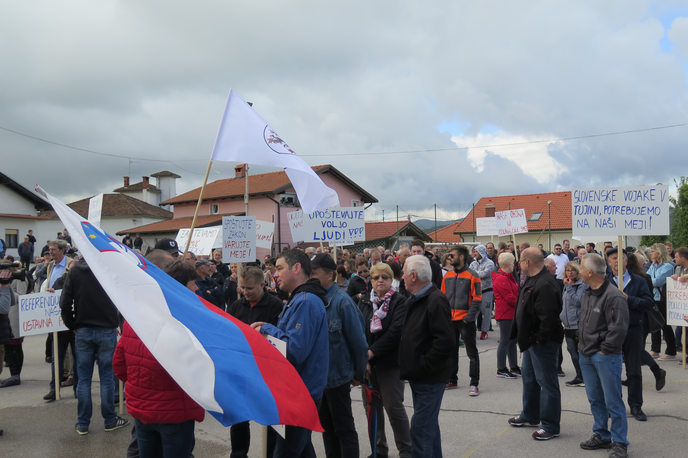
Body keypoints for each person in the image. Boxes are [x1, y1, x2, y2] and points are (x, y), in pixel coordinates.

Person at [113, 261, 205, 457]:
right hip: (174, 412)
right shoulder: (185, 322)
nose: (197, 288)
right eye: (193, 283)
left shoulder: (133, 315)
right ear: (179, 286)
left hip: (143, 412)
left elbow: (119, 365)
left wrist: (140, 386)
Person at [251, 249, 329, 458]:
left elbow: (294, 351)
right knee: (301, 450)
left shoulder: (305, 301)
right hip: (294, 389)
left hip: (299, 393)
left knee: (285, 453)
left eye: (279, 268)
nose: (274, 274)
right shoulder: (299, 299)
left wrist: (267, 328)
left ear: (296, 268)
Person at [60, 258, 128, 434]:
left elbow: (65, 303)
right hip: (106, 329)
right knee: (106, 377)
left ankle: (83, 423)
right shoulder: (109, 268)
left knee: (83, 379)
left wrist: (72, 324)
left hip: (83, 329)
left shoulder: (74, 271)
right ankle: (109, 420)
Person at [310, 253, 368, 458]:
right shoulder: (312, 301)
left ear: (330, 276)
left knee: (344, 429)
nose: (310, 277)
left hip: (338, 378)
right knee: (326, 428)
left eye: (314, 273)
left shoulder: (343, 303)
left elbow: (359, 344)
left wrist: (358, 374)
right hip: (318, 380)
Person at [399, 255, 454, 458]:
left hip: (429, 377)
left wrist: (424, 364)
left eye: (404, 273)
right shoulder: (416, 299)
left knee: (420, 431)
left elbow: (445, 342)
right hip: (420, 375)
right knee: (428, 428)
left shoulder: (435, 299)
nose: (402, 277)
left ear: (413, 275)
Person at [226, 266, 283, 458]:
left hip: (267, 371)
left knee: (271, 418)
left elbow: (282, 339)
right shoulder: (236, 306)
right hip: (241, 369)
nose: (245, 292)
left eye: (250, 288)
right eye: (243, 288)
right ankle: (239, 454)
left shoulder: (276, 306)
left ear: (262, 284)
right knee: (239, 417)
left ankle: (271, 453)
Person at [508, 248, 563, 441]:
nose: (519, 265)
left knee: (547, 383)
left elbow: (548, 319)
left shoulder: (545, 283)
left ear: (527, 262)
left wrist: (537, 339)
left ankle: (550, 425)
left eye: (520, 262)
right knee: (529, 379)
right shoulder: (532, 279)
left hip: (542, 343)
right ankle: (530, 414)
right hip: (530, 342)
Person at [577, 254, 630, 458]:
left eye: (581, 268)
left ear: (590, 272)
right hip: (587, 354)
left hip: (605, 356)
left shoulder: (613, 296)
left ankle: (620, 442)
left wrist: (604, 350)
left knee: (613, 401)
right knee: (595, 399)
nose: (579, 271)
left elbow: (618, 329)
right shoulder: (586, 293)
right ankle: (601, 434)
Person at [358, 262, 412, 458]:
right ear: (370, 281)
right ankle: (378, 450)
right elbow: (358, 330)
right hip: (368, 367)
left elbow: (395, 332)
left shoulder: (400, 301)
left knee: (394, 407)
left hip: (391, 364)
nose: (380, 280)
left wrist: (369, 354)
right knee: (372, 409)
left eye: (384, 277)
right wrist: (362, 357)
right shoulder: (364, 301)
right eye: (375, 277)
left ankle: (406, 451)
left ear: (392, 280)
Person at [606, 248, 654, 422]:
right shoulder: (605, 281)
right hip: (611, 331)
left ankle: (636, 405)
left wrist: (629, 299)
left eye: (621, 258)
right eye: (613, 258)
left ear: (627, 261)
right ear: (609, 261)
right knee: (612, 372)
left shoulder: (639, 281)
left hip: (633, 329)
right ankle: (614, 406)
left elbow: (648, 303)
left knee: (634, 371)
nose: (617, 261)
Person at [441, 245, 482, 395]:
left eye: (452, 255)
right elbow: (442, 298)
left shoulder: (473, 275)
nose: (449, 257)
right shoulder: (447, 276)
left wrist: (468, 318)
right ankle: (452, 379)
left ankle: (474, 383)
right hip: (450, 321)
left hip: (465, 321)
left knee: (472, 353)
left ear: (461, 257)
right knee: (451, 352)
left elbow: (477, 299)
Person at [492, 251, 520, 379]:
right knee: (505, 341)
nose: (514, 266)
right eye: (513, 263)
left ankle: (513, 366)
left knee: (512, 341)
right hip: (505, 314)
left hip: (511, 313)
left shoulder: (508, 277)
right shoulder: (502, 279)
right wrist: (522, 304)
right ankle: (501, 368)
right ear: (508, 264)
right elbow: (510, 298)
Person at [560, 262, 588, 387]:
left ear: (577, 272)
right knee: (571, 351)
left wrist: (570, 287)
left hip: (577, 324)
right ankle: (579, 375)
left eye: (572, 270)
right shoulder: (566, 286)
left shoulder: (581, 285)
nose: (570, 273)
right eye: (567, 270)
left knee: (580, 352)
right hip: (567, 324)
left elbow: (577, 302)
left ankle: (584, 376)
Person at [647, 243, 675, 360]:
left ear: (659, 253)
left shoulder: (668, 267)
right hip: (653, 297)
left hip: (662, 298)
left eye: (653, 251)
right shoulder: (653, 265)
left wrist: (649, 280)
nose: (650, 253)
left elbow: (656, 282)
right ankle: (655, 349)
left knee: (665, 324)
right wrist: (649, 280)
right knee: (654, 324)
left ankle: (671, 351)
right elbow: (646, 278)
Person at [0, 266, 23, 388]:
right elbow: (3, 308)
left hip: (9, 323)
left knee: (14, 348)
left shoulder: (7, 284)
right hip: (7, 322)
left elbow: (12, 301)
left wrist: (6, 286)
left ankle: (15, 376)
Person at [469, 244, 495, 340]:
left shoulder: (490, 263)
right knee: (473, 312)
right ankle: (471, 331)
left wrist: (476, 274)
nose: (474, 253)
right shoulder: (473, 263)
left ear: (481, 252)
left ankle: (484, 331)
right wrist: (477, 274)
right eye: (474, 251)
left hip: (486, 290)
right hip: (475, 292)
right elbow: (470, 274)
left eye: (476, 251)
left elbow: (485, 274)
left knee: (486, 312)